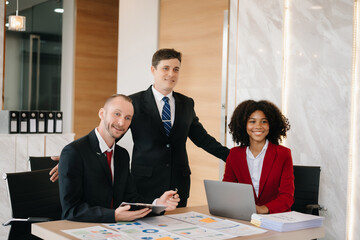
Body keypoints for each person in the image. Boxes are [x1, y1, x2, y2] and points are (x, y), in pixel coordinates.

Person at [128, 48, 229, 207]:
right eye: (165, 68)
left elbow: (202, 138)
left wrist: (233, 157)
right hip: (145, 184)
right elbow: (114, 134)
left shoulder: (186, 103)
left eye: (176, 69)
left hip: (178, 184)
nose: (171, 74)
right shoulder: (133, 102)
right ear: (153, 70)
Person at [58, 94, 179, 223]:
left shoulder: (122, 155)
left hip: (116, 229)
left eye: (128, 118)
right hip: (83, 228)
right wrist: (113, 215)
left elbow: (131, 198)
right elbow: (71, 210)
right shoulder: (74, 152)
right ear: (102, 114)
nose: (122, 123)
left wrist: (157, 204)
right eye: (117, 114)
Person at [223, 100, 294, 214]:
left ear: (270, 125)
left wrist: (263, 209)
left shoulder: (283, 154)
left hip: (275, 217)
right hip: (244, 217)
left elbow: (287, 197)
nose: (258, 126)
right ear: (243, 124)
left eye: (264, 121)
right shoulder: (234, 154)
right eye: (252, 121)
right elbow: (227, 191)